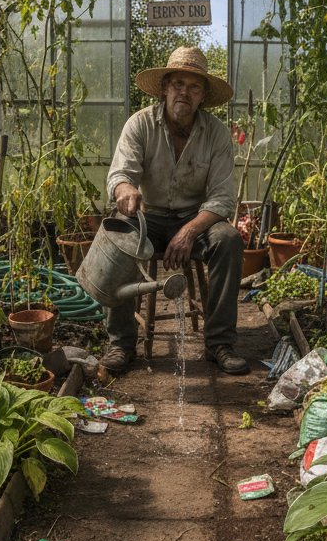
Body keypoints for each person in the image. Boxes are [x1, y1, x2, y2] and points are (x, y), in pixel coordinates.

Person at [101, 46, 248, 375]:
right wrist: (125, 190)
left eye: (194, 86)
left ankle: (220, 343)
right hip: (148, 217)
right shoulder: (140, 124)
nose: (184, 92)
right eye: (178, 83)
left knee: (228, 240)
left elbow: (222, 199)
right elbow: (120, 175)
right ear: (165, 87)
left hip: (195, 218)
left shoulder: (216, 134)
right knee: (119, 231)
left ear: (202, 97)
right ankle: (121, 343)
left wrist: (189, 230)